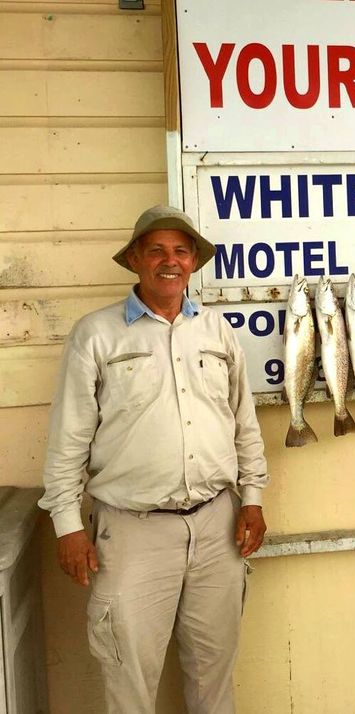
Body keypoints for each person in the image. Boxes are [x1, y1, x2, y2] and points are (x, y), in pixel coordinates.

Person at [39, 205, 270, 714]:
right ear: (136, 259)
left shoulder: (217, 331)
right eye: (157, 250)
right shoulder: (95, 335)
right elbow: (67, 440)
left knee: (214, 678)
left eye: (181, 251)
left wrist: (252, 499)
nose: (171, 261)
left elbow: (243, 423)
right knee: (130, 683)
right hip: (132, 532)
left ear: (193, 262)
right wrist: (66, 526)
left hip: (217, 525)